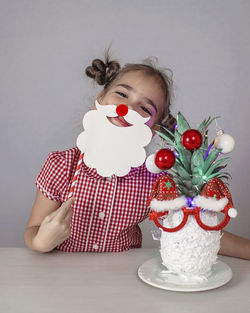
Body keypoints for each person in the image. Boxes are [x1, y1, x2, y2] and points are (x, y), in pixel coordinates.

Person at [24, 54, 250, 260]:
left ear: (154, 128)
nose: (128, 108)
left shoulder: (153, 181)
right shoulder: (61, 165)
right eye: (122, 94)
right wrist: (40, 242)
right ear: (101, 99)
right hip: (59, 275)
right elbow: (32, 231)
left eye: (145, 108)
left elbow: (195, 227)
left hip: (122, 280)